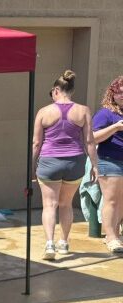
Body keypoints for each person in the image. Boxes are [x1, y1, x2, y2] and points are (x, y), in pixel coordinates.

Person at [31, 70, 99, 260]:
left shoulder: (44, 112)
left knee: (49, 205)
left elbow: (36, 143)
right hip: (74, 162)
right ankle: (63, 242)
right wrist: (95, 165)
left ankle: (49, 244)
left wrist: (31, 166)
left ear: (56, 90)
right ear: (72, 90)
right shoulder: (83, 110)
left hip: (49, 162)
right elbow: (89, 141)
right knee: (66, 204)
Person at [91, 75, 123, 253]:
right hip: (110, 161)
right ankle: (110, 237)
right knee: (111, 200)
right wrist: (115, 127)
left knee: (121, 202)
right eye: (119, 92)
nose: (122, 96)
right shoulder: (105, 113)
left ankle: (115, 235)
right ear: (112, 94)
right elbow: (93, 137)